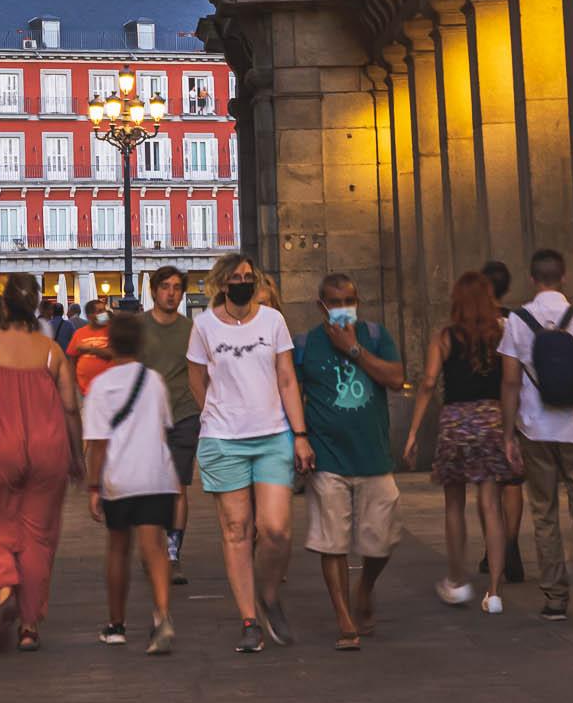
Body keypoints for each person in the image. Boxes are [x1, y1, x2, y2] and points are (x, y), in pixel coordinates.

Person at [188, 252, 312, 654]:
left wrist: (300, 433)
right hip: (224, 439)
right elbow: (197, 381)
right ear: (223, 284)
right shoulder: (203, 326)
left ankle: (269, 594)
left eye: (249, 276)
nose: (244, 282)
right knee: (236, 531)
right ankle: (249, 620)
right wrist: (220, 413)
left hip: (272, 434)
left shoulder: (273, 321)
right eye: (236, 277)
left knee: (276, 529)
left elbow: (287, 378)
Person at [0, 270, 80, 651]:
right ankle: (29, 627)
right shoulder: (51, 352)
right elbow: (71, 408)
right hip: (48, 450)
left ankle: (5, 593)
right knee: (38, 539)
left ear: (5, 305)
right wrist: (77, 456)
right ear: (36, 307)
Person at [499, 247, 573, 626]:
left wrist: (508, 434)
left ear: (532, 280)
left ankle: (555, 597)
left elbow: (511, 381)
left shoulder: (516, 321)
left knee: (543, 510)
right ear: (564, 278)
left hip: (536, 428)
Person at [293, 274, 405, 649]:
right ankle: (344, 618)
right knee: (333, 543)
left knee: (380, 543)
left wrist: (354, 349)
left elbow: (396, 378)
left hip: (373, 457)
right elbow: (290, 391)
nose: (343, 307)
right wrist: (299, 441)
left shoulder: (375, 336)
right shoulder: (306, 344)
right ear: (320, 304)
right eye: (335, 301)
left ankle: (366, 588)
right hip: (328, 459)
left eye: (349, 300)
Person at [403, 269, 520, 612]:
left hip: (455, 421)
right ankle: (495, 592)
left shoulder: (444, 336)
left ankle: (457, 580)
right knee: (490, 505)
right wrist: (510, 432)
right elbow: (511, 383)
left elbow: (427, 383)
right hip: (491, 419)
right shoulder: (503, 333)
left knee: (453, 505)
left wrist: (412, 433)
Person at [85, 302, 180, 654]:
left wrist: (93, 487)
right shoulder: (154, 381)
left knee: (118, 549)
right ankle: (162, 616)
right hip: (157, 474)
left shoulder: (101, 386)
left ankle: (116, 624)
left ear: (110, 343)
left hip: (119, 477)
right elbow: (165, 425)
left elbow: (97, 444)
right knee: (154, 547)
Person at [144, 266, 199, 578]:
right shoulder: (140, 327)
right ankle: (153, 546)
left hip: (183, 415)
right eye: (165, 286)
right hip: (147, 420)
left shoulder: (192, 329)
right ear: (154, 290)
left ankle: (173, 552)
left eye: (177, 287)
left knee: (178, 486)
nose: (171, 293)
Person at [477, 259, 524, 583]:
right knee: (513, 481)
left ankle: (491, 547)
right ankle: (511, 542)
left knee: (487, 486)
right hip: (514, 406)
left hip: (483, 410)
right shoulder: (515, 321)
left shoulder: (472, 324)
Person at [67, 298, 114, 399]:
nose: (104, 314)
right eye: (100, 311)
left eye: (104, 310)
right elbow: (71, 360)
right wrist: (73, 384)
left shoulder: (112, 331)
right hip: (84, 391)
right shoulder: (79, 333)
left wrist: (90, 349)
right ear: (89, 316)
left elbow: (113, 353)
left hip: (109, 390)